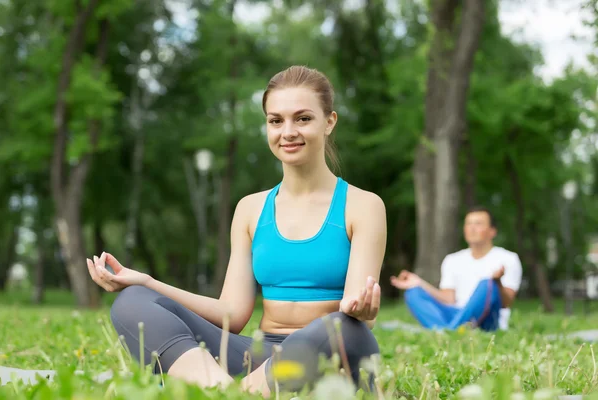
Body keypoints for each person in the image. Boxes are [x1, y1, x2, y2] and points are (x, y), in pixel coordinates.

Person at [86, 65, 387, 396]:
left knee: (341, 327)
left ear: (329, 122)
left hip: (332, 355)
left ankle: (229, 394)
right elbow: (232, 314)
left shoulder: (363, 205)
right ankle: (226, 390)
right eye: (276, 120)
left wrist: (361, 310)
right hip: (258, 360)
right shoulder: (250, 209)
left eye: (302, 119)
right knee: (133, 302)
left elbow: (360, 315)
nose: (288, 131)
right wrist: (146, 281)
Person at [390, 206, 522, 332]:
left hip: (487, 320)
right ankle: (453, 330)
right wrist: (419, 283)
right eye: (468, 224)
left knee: (487, 284)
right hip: (455, 313)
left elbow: (506, 303)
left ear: (492, 231)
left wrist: (496, 282)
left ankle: (447, 331)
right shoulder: (452, 260)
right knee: (413, 292)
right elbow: (448, 299)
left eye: (478, 224)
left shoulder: (508, 258)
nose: (472, 228)